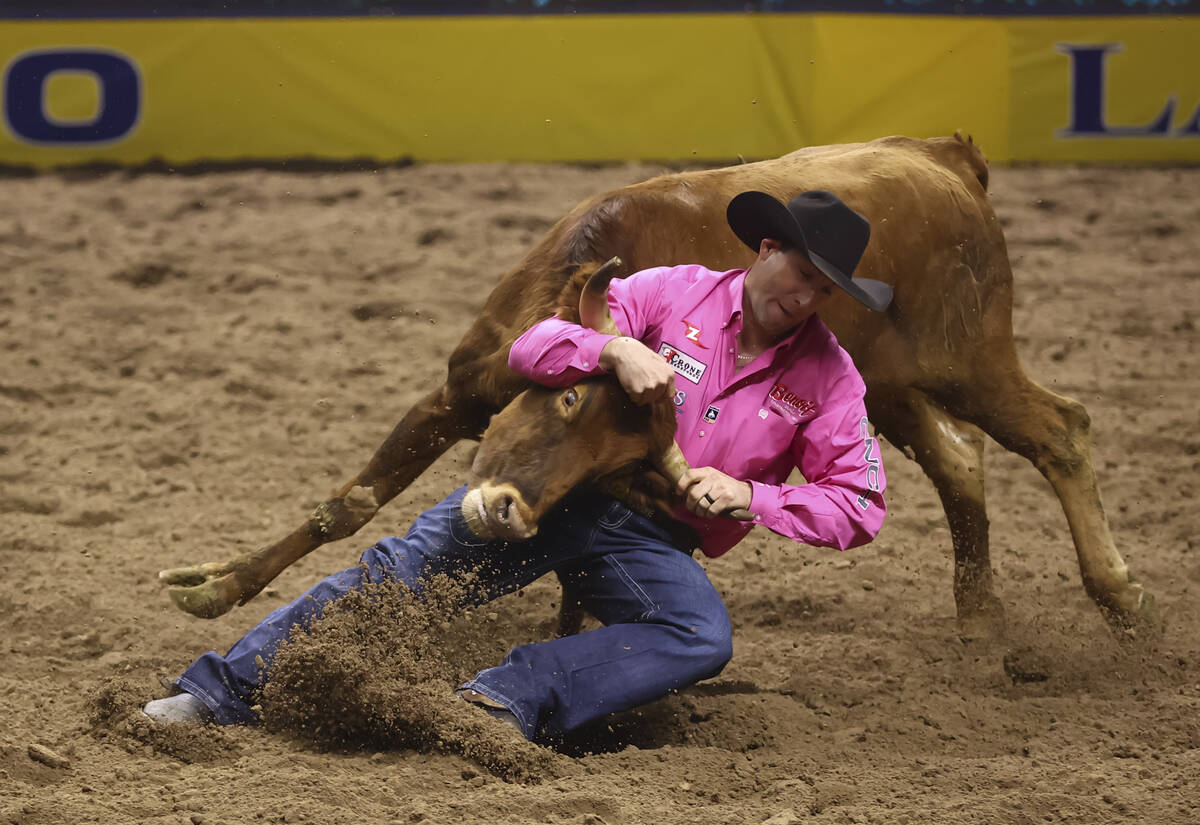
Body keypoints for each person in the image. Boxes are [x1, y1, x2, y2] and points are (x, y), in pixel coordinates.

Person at [144, 189, 891, 741]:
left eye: (825, 289)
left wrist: (751, 495)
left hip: (653, 538)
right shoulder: (671, 293)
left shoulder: (830, 376)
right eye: (802, 273)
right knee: (401, 571)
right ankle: (217, 691)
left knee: (700, 635)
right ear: (766, 251)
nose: (807, 298)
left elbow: (860, 504)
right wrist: (611, 347)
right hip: (553, 487)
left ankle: (504, 696)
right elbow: (532, 349)